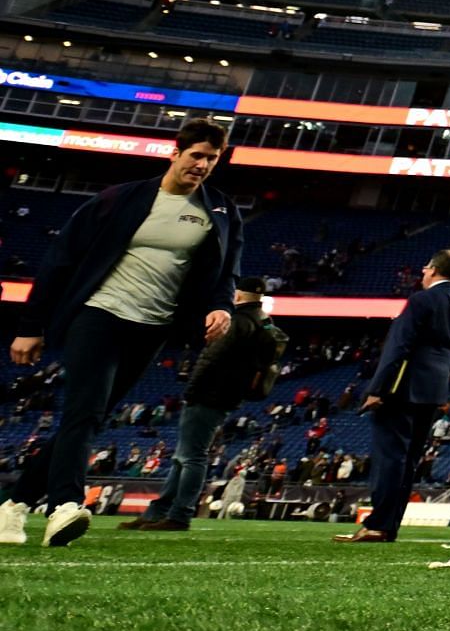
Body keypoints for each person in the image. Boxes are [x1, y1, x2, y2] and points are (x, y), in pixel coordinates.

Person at [1, 118, 242, 549]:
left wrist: (221, 306)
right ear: (176, 153)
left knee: (91, 416)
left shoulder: (220, 211)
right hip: (98, 314)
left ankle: (12, 506)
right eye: (196, 156)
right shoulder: (122, 199)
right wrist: (29, 327)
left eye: (212, 158)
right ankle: (64, 506)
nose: (203, 165)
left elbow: (226, 272)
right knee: (84, 409)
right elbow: (59, 260)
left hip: (151, 328)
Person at [121, 276, 287, 532]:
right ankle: (158, 512)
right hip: (227, 395)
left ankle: (179, 515)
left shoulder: (237, 321)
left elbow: (211, 357)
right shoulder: (263, 322)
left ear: (238, 295)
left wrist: (192, 388)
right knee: (183, 456)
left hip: (209, 393)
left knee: (192, 457)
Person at [334, 250, 450, 544]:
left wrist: (377, 389)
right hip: (433, 391)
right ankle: (388, 526)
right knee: (408, 462)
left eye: (425, 268)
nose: (422, 273)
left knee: (390, 459)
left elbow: (398, 346)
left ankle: (377, 525)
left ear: (433, 269)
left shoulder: (422, 300)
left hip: (402, 388)